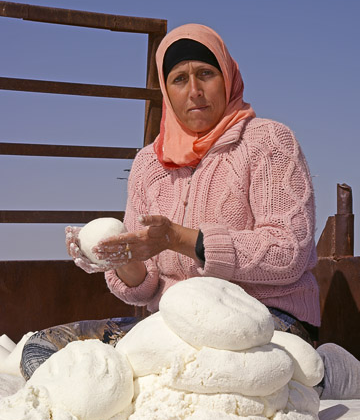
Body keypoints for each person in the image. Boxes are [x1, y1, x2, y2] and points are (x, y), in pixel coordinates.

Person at [22, 23, 359, 398]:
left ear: (227, 78)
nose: (194, 91)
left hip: (266, 321)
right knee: (45, 350)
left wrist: (178, 239)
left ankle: (328, 372)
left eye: (205, 74)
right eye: (179, 79)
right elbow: (144, 286)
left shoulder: (269, 142)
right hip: (174, 325)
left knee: (209, 376)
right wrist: (121, 259)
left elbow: (288, 253)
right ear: (167, 91)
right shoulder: (148, 163)